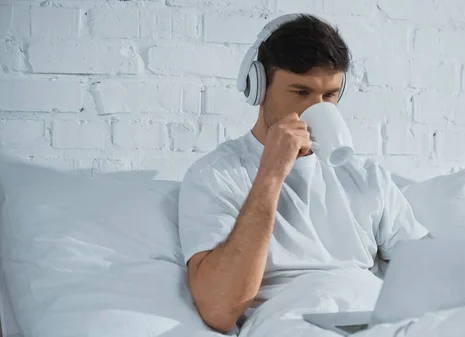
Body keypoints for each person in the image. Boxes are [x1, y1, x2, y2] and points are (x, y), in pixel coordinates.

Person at [177, 13, 429, 333]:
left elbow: (427, 270)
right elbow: (218, 308)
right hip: (293, 320)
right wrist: (271, 173)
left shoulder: (366, 176)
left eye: (329, 95)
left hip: (376, 318)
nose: (316, 108)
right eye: (300, 92)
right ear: (258, 87)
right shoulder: (217, 174)